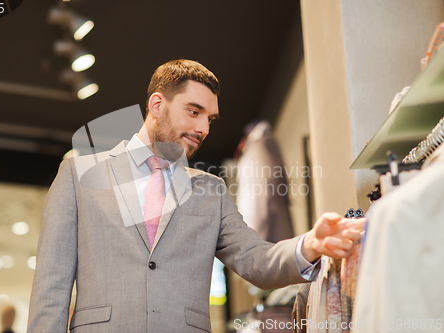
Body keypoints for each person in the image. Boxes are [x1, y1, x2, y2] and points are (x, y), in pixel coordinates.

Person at [27, 59, 364, 333]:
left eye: (210, 119)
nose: (204, 128)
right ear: (157, 104)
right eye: (194, 111)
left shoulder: (211, 189)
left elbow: (255, 259)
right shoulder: (79, 172)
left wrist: (310, 246)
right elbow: (51, 289)